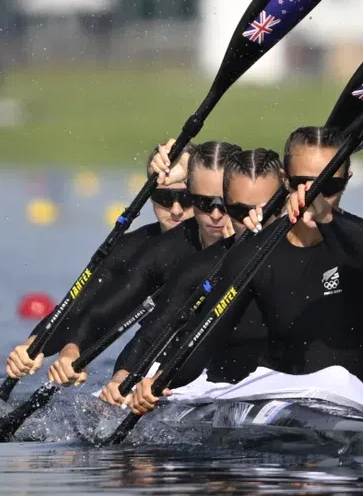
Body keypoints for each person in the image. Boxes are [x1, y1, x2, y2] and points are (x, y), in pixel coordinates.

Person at [127, 126, 363, 415]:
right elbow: (208, 336)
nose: (313, 196)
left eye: (328, 187)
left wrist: (327, 218)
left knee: (337, 380)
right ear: (284, 180)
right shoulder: (253, 253)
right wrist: (161, 381)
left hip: (345, 395)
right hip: (271, 389)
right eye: (302, 183)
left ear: (347, 180)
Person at [43, 140, 242, 386]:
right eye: (202, 202)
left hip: (255, 371)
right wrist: (74, 354)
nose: (214, 214)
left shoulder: (268, 232)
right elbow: (105, 315)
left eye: (223, 204)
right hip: (178, 369)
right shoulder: (162, 250)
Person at [97, 148, 283, 405]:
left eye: (259, 210)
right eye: (206, 205)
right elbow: (151, 333)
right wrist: (122, 379)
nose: (217, 215)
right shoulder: (194, 265)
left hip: (279, 378)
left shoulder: (307, 244)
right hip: (205, 378)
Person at [4, 140, 196, 379]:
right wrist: (44, 348)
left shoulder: (226, 229)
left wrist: (191, 163)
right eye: (165, 198)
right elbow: (83, 309)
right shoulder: (134, 247)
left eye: (186, 197)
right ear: (149, 196)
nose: (176, 209)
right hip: (160, 363)